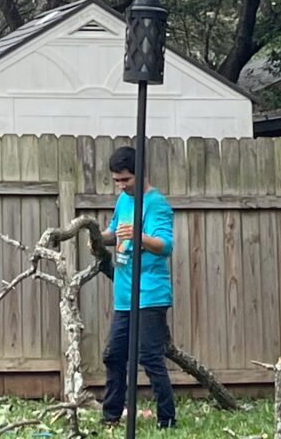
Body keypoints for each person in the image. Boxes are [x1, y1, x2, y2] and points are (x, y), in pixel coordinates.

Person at [98, 146, 176, 429]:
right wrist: (97, 236)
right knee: (114, 355)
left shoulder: (156, 204)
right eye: (117, 180)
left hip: (150, 294)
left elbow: (165, 245)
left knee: (149, 357)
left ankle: (166, 419)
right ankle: (111, 417)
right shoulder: (123, 201)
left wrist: (139, 236)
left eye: (126, 180)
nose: (121, 185)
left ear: (140, 173)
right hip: (124, 296)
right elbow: (113, 232)